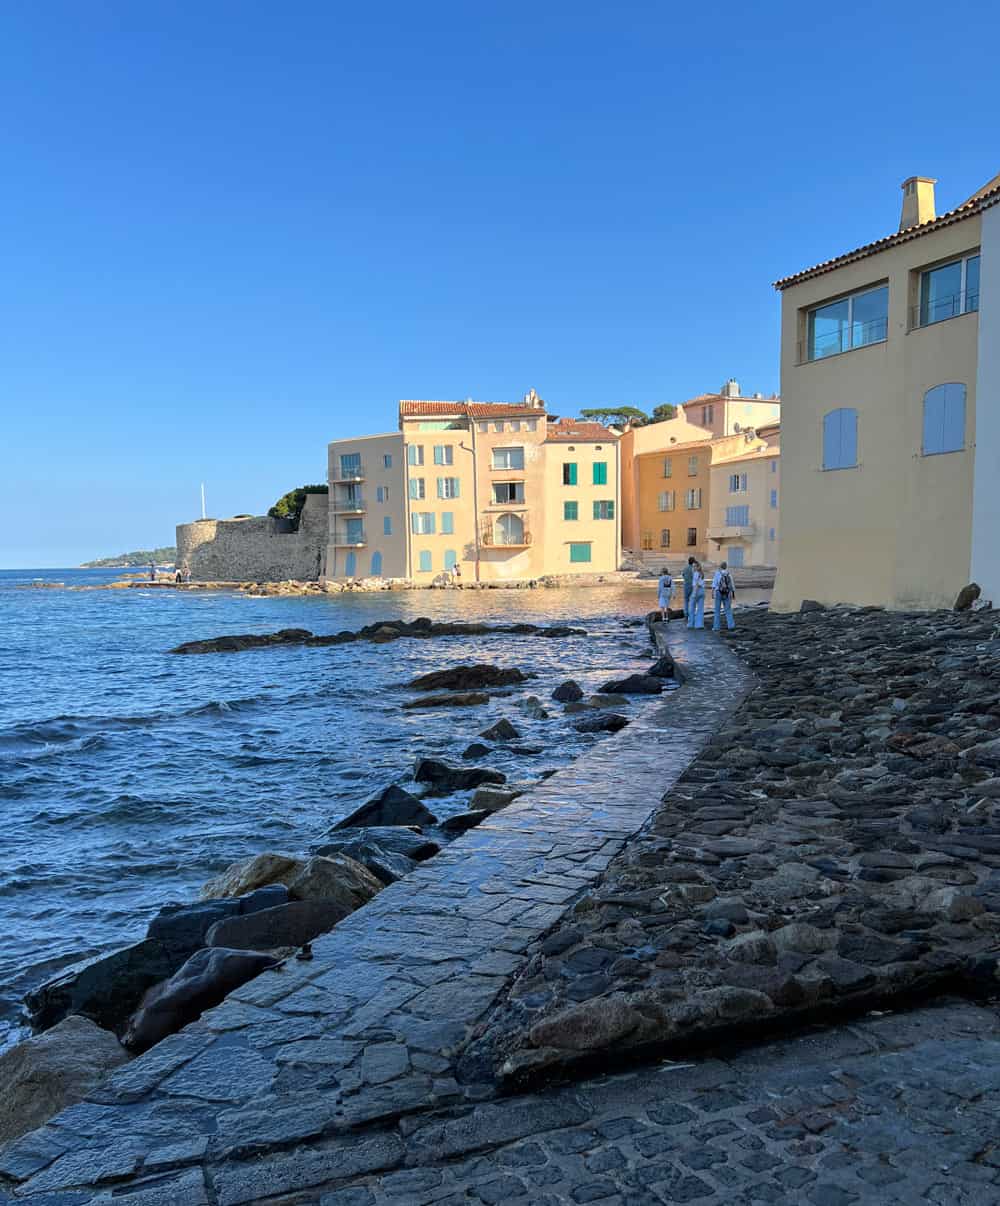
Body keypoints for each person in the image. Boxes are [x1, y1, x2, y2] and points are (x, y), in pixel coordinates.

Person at [712, 560, 736, 631]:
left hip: (718, 592)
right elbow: (732, 585)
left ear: (720, 567)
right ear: (726, 567)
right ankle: (731, 626)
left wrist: (712, 593)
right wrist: (733, 594)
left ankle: (716, 627)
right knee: (728, 610)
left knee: (717, 610)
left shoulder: (717, 573)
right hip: (727, 593)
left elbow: (714, 584)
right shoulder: (729, 574)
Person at [687, 560, 706, 629]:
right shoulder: (702, 573)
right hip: (702, 591)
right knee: (700, 608)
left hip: (697, 590)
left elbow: (696, 584)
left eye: (694, 566)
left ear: (698, 567)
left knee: (691, 608)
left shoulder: (696, 573)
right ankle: (699, 624)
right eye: (693, 566)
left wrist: (694, 593)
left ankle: (690, 624)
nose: (693, 568)